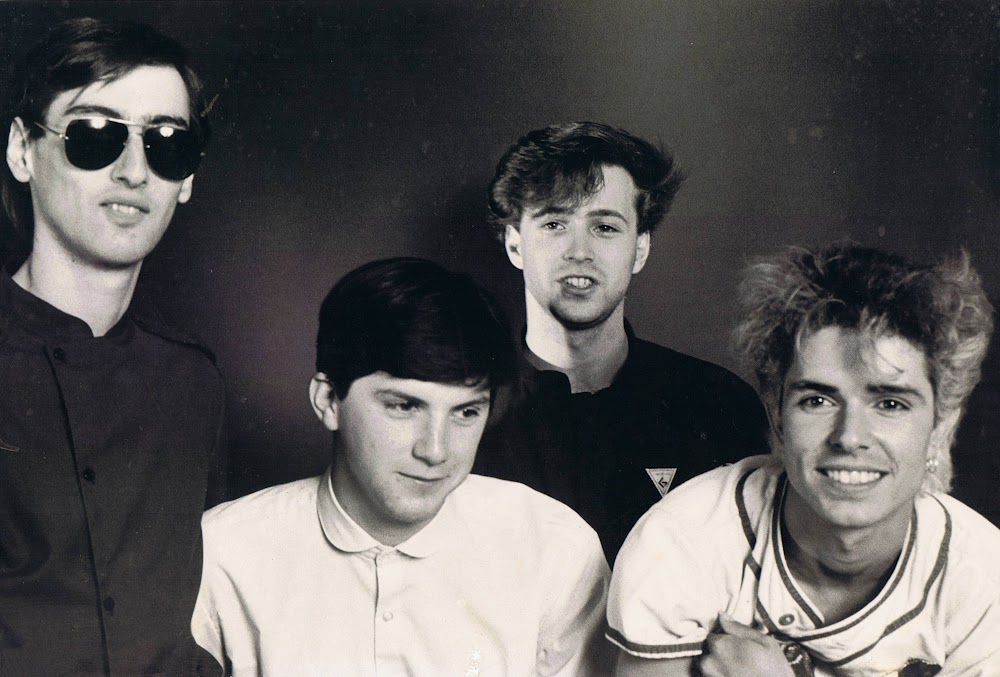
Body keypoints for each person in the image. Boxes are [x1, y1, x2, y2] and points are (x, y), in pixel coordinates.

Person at [191, 257, 612, 676]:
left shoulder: (554, 548)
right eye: (404, 406)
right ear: (329, 401)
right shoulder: (219, 553)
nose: (436, 451)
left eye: (466, 412)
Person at [608, 244, 1000, 676]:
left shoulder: (983, 577)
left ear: (940, 426)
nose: (850, 437)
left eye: (890, 404)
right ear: (777, 417)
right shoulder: (684, 539)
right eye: (818, 400)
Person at [0, 17, 224, 676]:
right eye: (95, 135)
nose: (133, 172)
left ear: (187, 178)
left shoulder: (193, 382)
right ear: (21, 150)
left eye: (167, 144)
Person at [473, 121, 768, 562]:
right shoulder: (463, 413)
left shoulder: (719, 404)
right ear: (515, 244)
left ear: (640, 249)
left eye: (605, 227)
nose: (579, 252)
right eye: (554, 223)